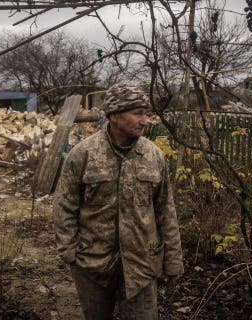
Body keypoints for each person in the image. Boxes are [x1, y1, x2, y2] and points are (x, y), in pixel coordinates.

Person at [53, 83, 184, 320]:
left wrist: (173, 261)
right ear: (113, 115)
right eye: (138, 113)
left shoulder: (154, 156)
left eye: (146, 114)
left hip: (141, 264)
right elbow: (65, 204)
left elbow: (166, 210)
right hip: (92, 264)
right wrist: (69, 252)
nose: (145, 121)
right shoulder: (83, 154)